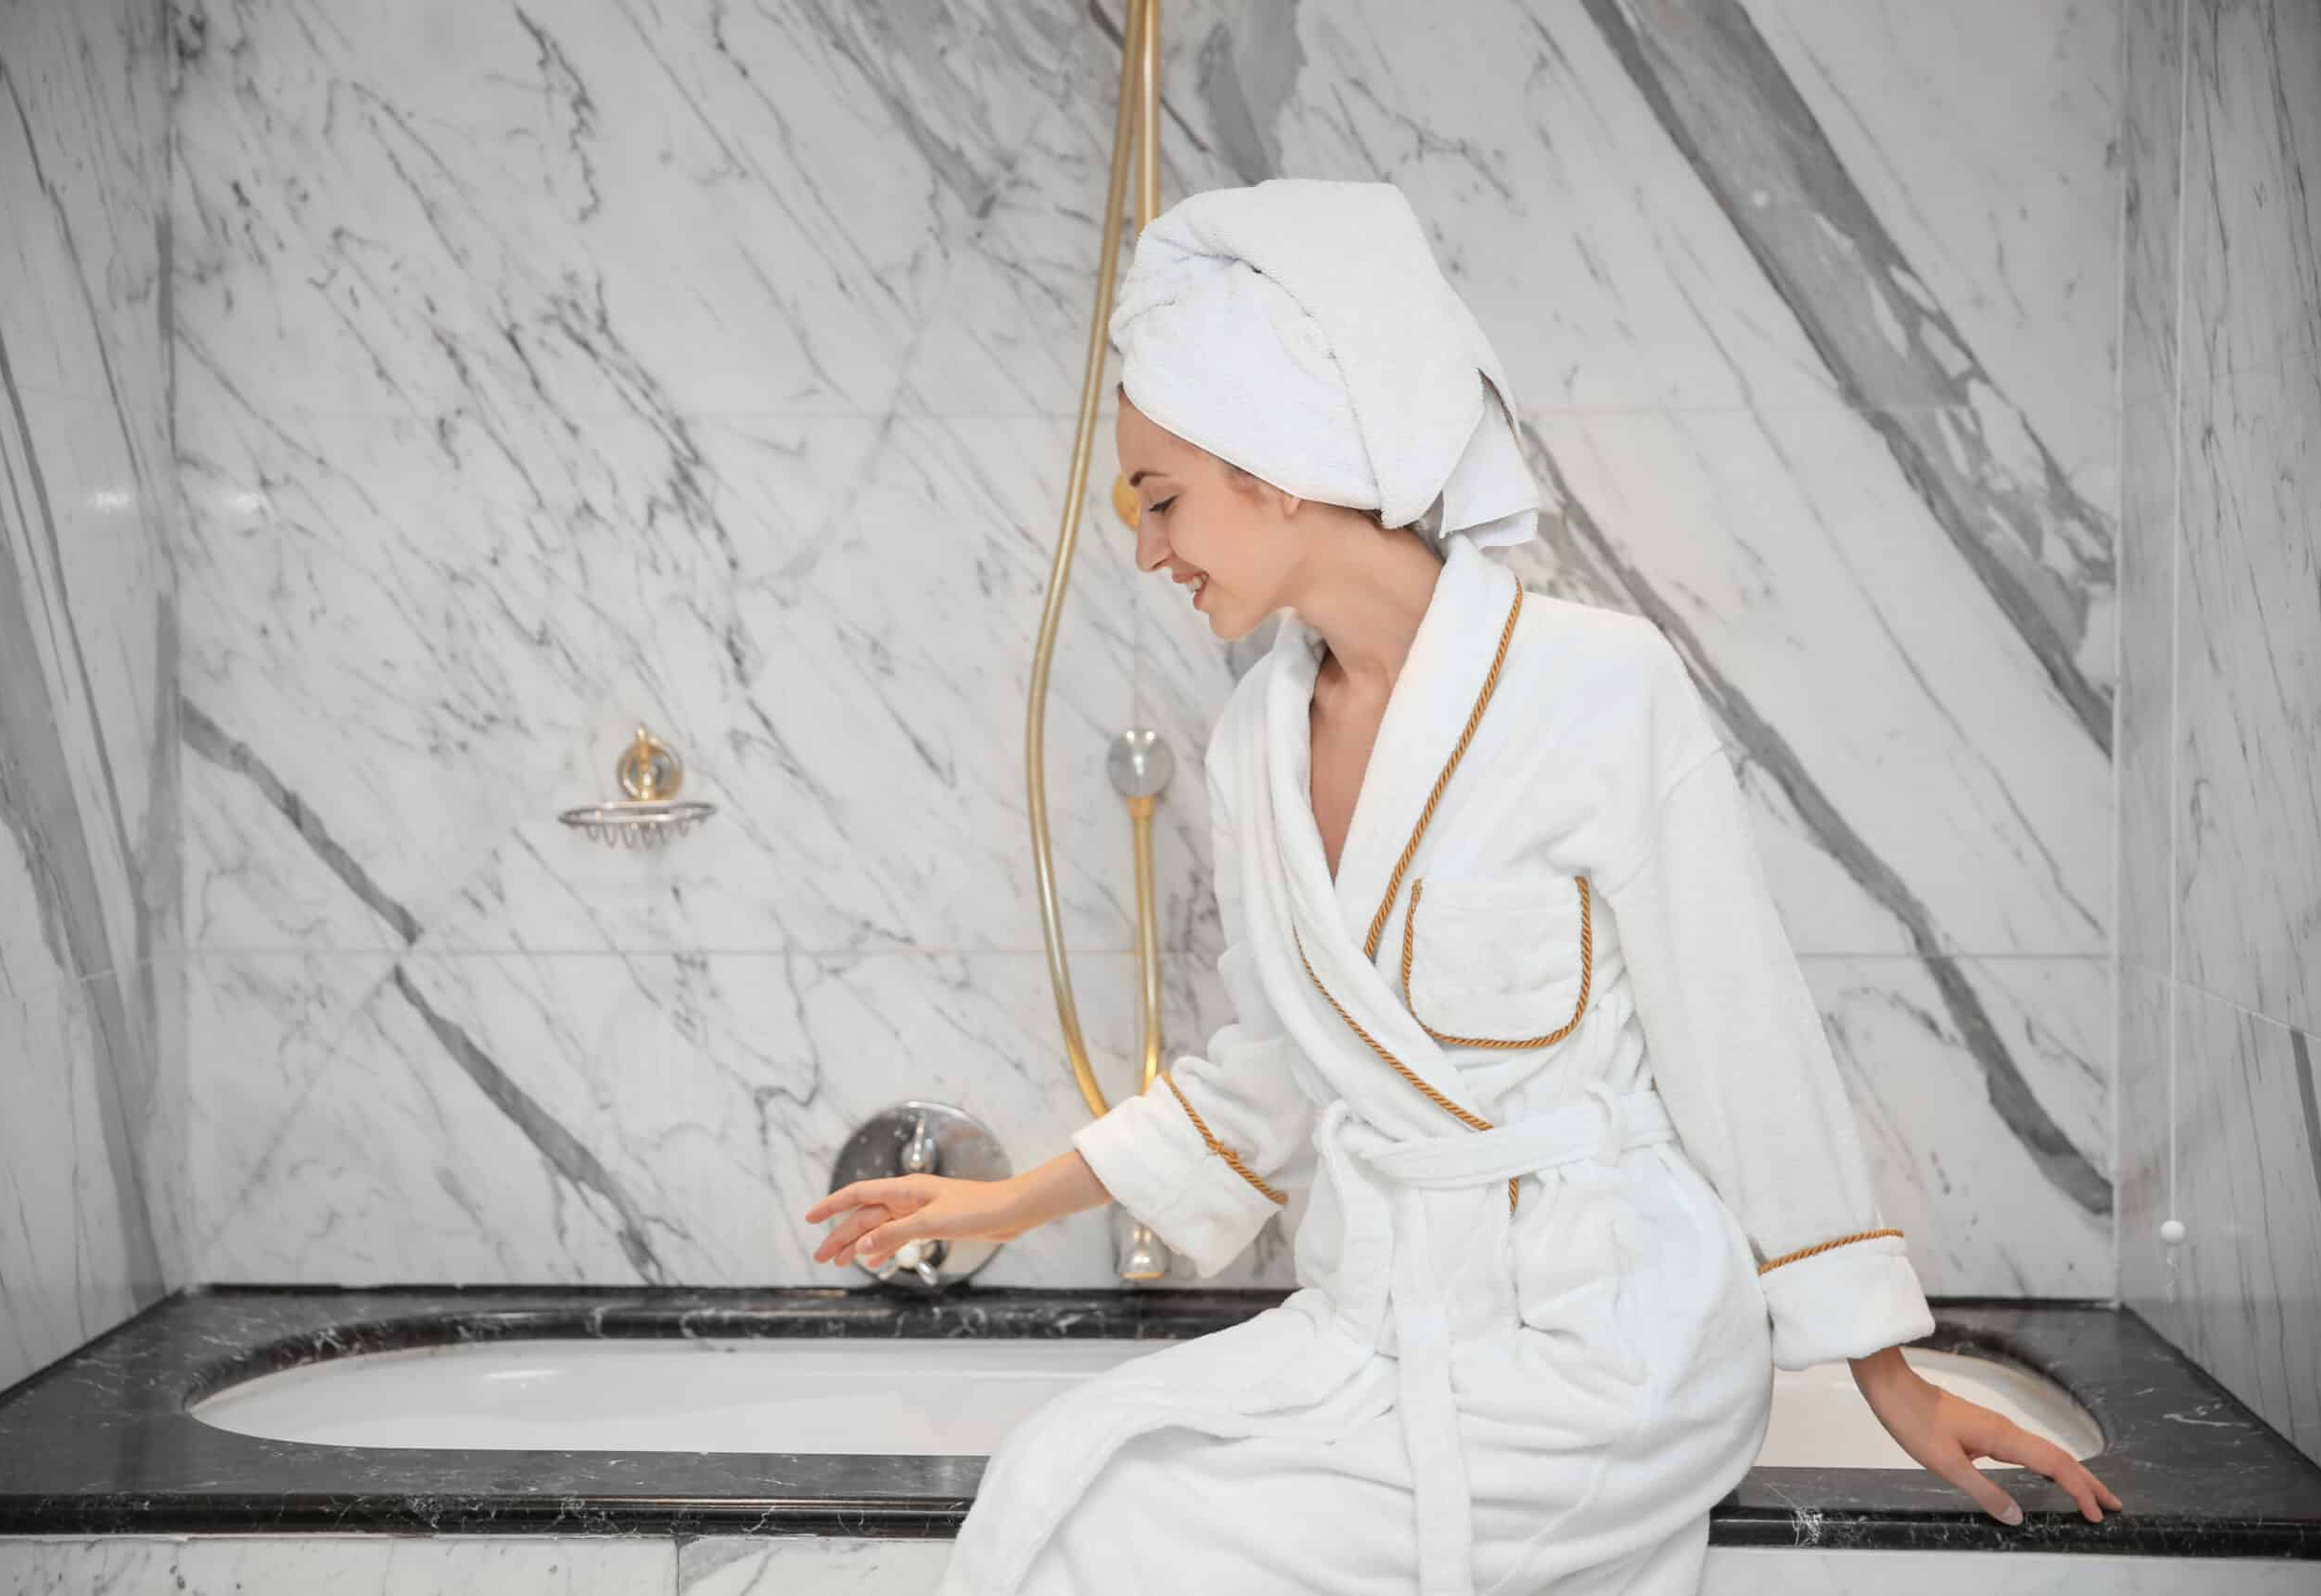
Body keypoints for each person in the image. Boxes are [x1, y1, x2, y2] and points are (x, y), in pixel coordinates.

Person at [804, 179, 2119, 1596]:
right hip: (1377, 1322)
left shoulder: (1599, 688)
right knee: (1060, 1480)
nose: (1147, 550)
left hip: (1604, 1338)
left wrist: (1886, 1372)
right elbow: (1285, 1071)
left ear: (1278, 464)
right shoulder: (1255, 744)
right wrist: (998, 1207)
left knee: (1138, 1543)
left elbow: (1743, 1040)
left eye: (1164, 499)